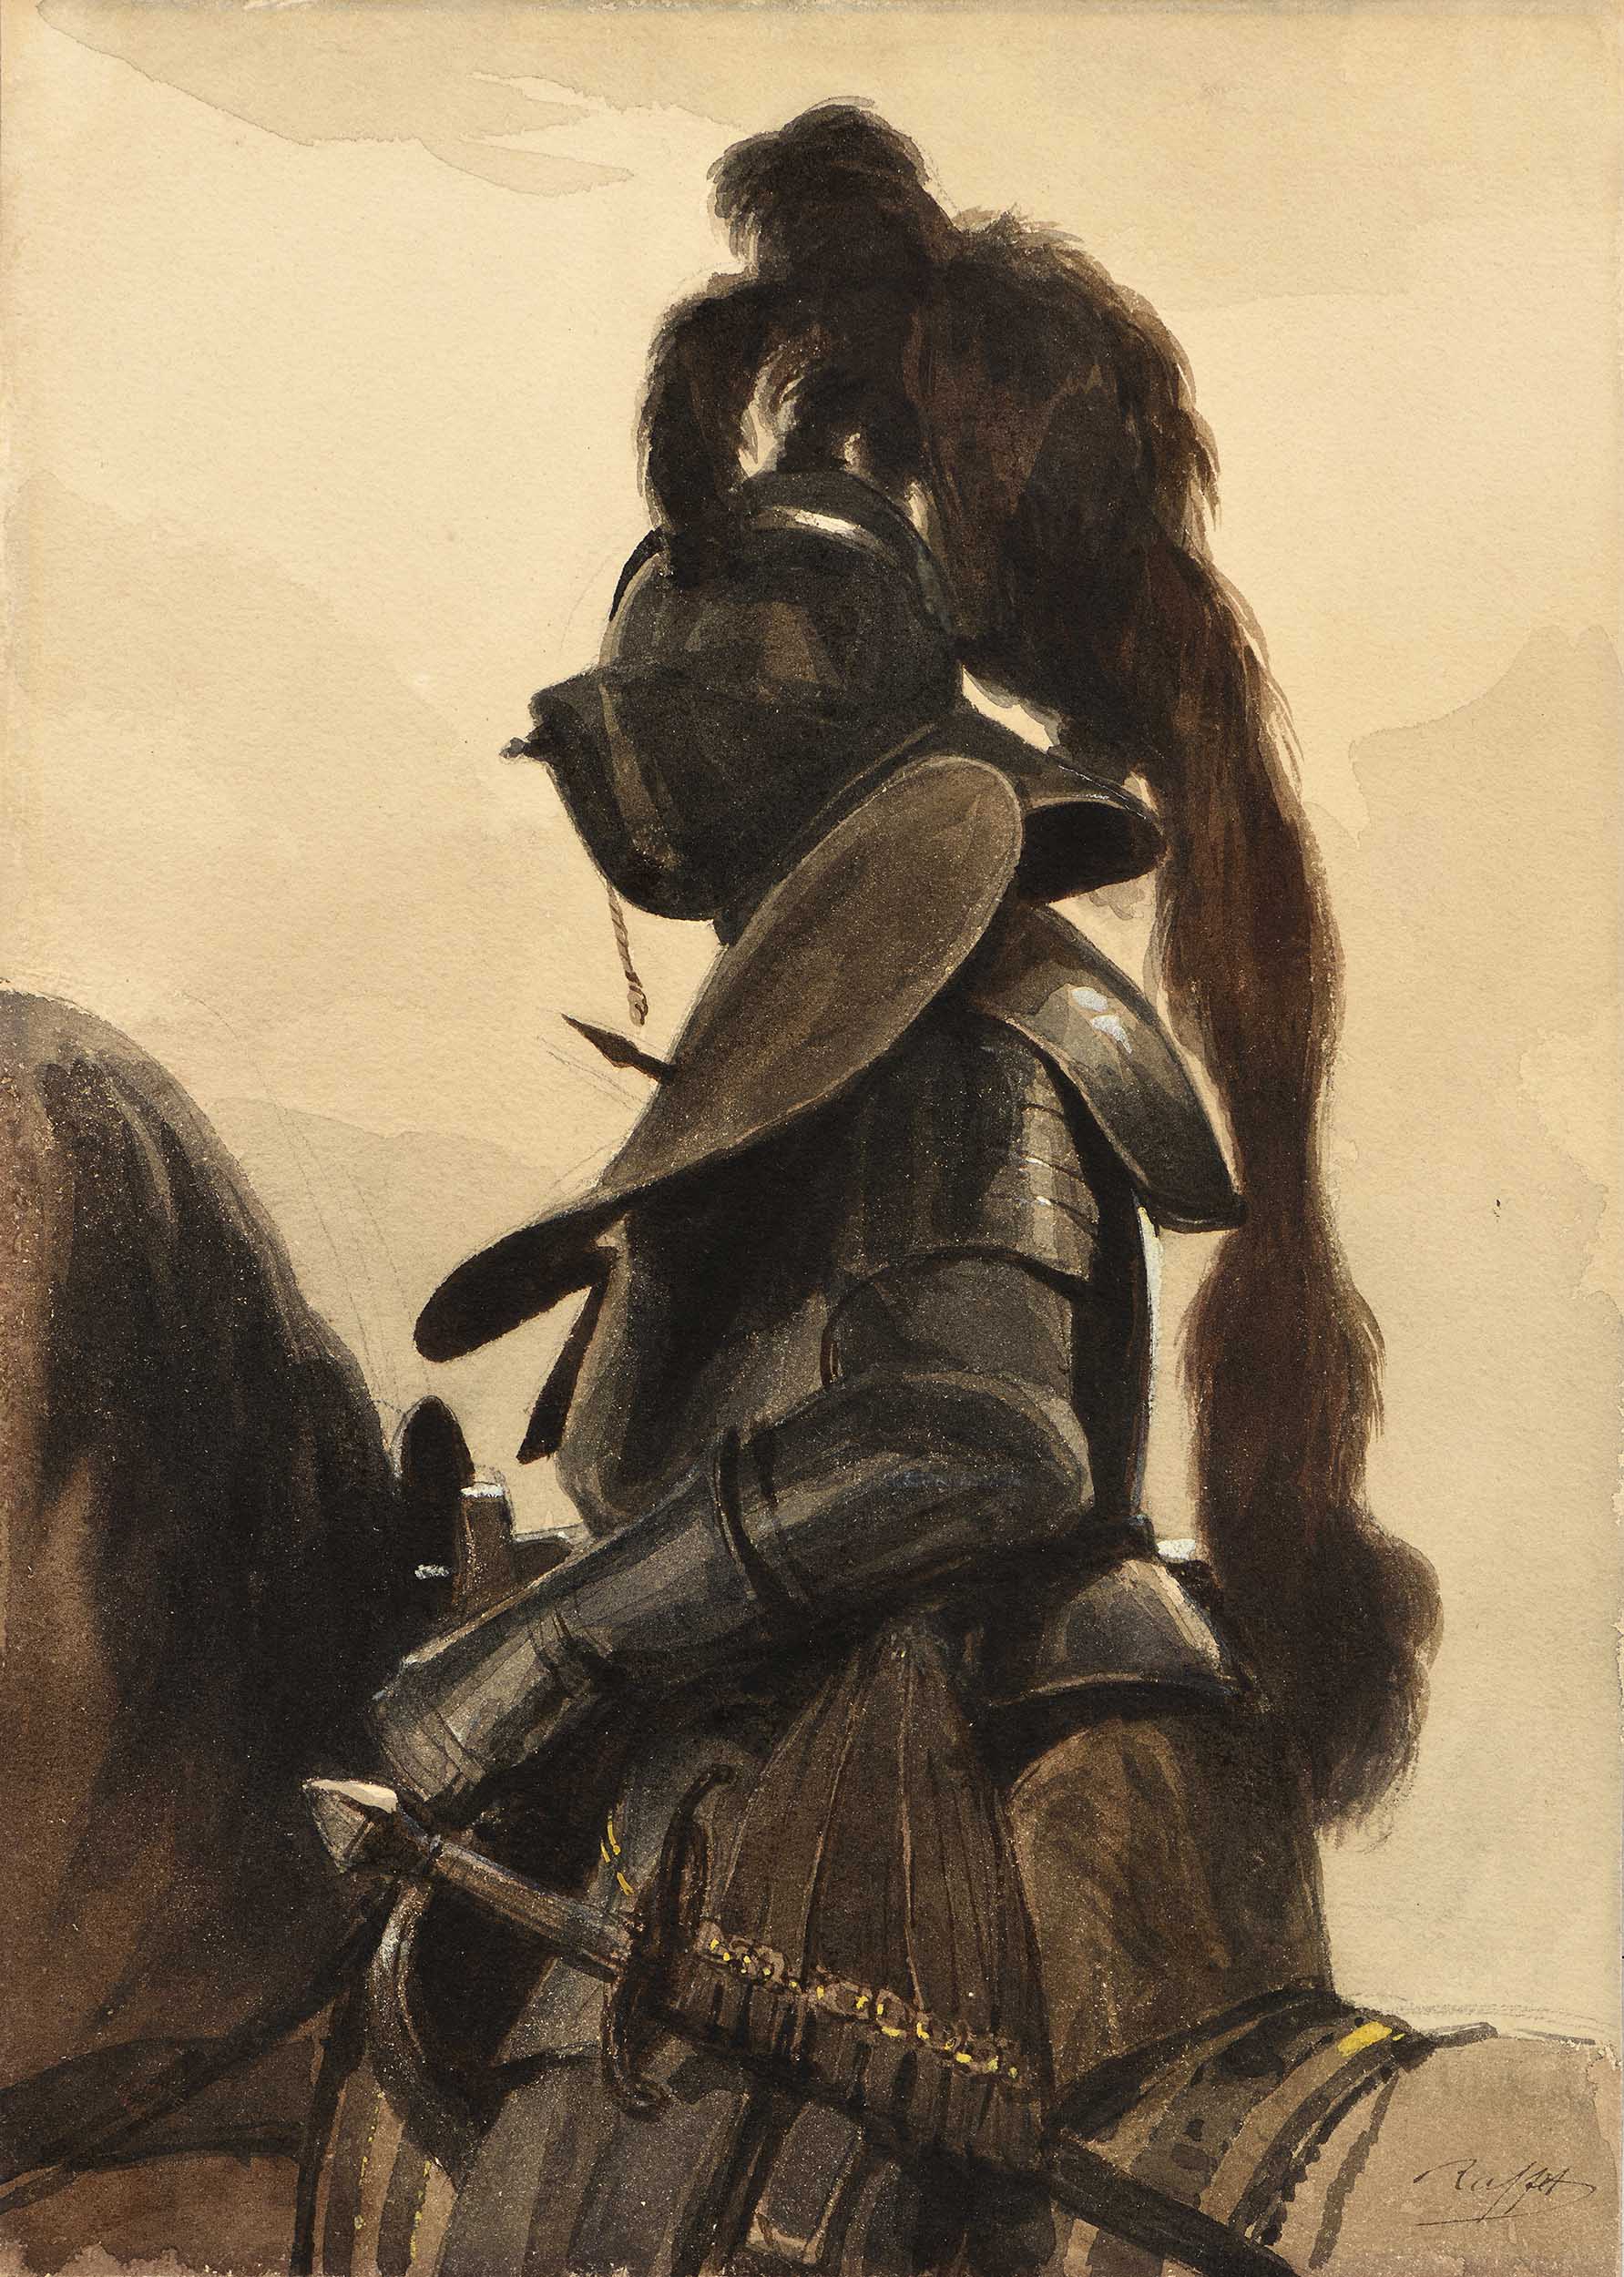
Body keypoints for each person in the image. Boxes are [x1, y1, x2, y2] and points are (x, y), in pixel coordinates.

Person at [332, 105, 1441, 2276]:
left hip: (906, 1795)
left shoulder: (967, 1015)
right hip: (814, 1751)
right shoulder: (885, 998)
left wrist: (557, 1644)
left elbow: (973, 1431)